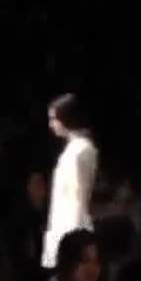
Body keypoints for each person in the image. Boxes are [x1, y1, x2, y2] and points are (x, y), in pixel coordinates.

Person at [41, 93, 98, 270]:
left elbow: (77, 200)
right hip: (63, 227)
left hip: (70, 230)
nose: (51, 124)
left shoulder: (80, 151)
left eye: (54, 119)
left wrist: (73, 242)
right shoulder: (75, 150)